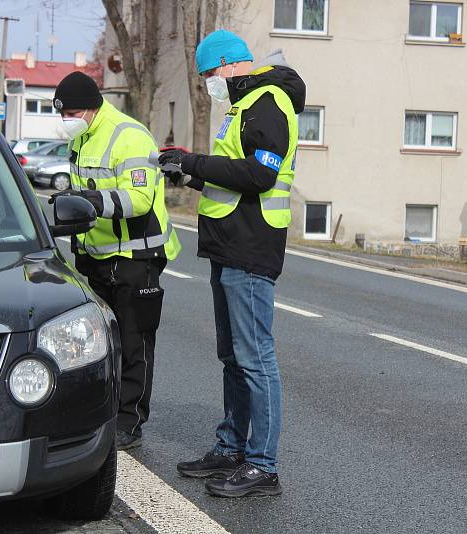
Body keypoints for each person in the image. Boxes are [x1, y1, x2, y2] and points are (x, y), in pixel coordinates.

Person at [159, 30, 305, 498]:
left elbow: (261, 175)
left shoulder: (267, 101)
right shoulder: (241, 107)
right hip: (228, 245)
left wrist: (194, 161)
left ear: (226, 65)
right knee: (233, 356)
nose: (207, 84)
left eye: (207, 75)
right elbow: (230, 180)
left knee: (255, 357)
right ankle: (231, 449)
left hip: (251, 246)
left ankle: (262, 465)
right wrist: (187, 173)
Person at [51, 71, 181, 451]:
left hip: (135, 257)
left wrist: (91, 204)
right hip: (96, 257)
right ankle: (101, 412)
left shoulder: (129, 136)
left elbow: (138, 199)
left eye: (72, 112)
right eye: (62, 115)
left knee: (134, 342)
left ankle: (129, 422)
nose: (66, 121)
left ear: (92, 108)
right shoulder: (83, 136)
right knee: (98, 343)